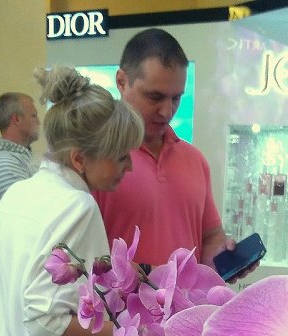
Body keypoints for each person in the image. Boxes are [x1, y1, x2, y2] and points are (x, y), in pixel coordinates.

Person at [0, 66, 144, 336]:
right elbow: (45, 322)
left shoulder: (18, 194)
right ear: (79, 158)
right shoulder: (78, 206)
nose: (129, 167)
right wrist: (132, 329)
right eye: (121, 157)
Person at [94, 28, 230, 270]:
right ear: (122, 82)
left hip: (190, 297)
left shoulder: (195, 159)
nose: (167, 111)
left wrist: (223, 258)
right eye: (154, 97)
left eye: (176, 98)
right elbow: (83, 255)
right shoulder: (97, 161)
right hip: (116, 297)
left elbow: (210, 237)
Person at [0, 92, 40, 207]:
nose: (39, 122)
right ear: (17, 119)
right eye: (34, 116)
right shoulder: (2, 163)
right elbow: (30, 208)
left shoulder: (20, 157)